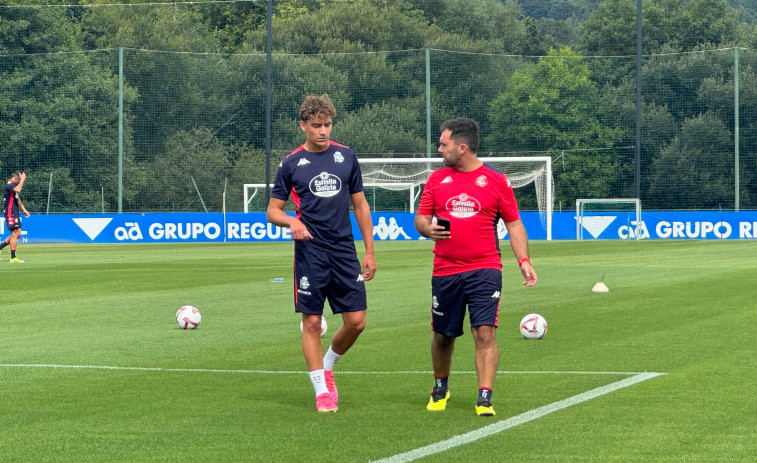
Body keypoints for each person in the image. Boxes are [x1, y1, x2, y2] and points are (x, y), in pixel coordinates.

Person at [414, 117, 537, 417]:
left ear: (462, 147)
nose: (439, 148)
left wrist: (524, 260)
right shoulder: (436, 180)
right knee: (443, 335)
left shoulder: (496, 182)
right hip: (445, 270)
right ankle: (440, 387)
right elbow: (420, 218)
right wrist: (428, 230)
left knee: (484, 333)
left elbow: (514, 224)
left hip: (485, 269)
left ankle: (484, 397)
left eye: (444, 144)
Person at [267, 94, 377, 413]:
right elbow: (273, 211)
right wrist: (292, 221)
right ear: (303, 125)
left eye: (327, 124)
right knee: (312, 323)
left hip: (344, 251)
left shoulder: (346, 157)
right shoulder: (291, 164)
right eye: (316, 125)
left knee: (356, 322)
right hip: (310, 254)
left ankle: (328, 365)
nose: (323, 131)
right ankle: (321, 392)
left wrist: (369, 251)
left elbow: (360, 205)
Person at [1, 171, 31, 262]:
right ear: (15, 179)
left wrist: (24, 210)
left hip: (15, 212)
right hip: (10, 213)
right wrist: (22, 180)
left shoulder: (14, 185)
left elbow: (18, 199)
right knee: (14, 233)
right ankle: (13, 257)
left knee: (18, 234)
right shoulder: (9, 184)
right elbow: (18, 189)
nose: (19, 184)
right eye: (18, 181)